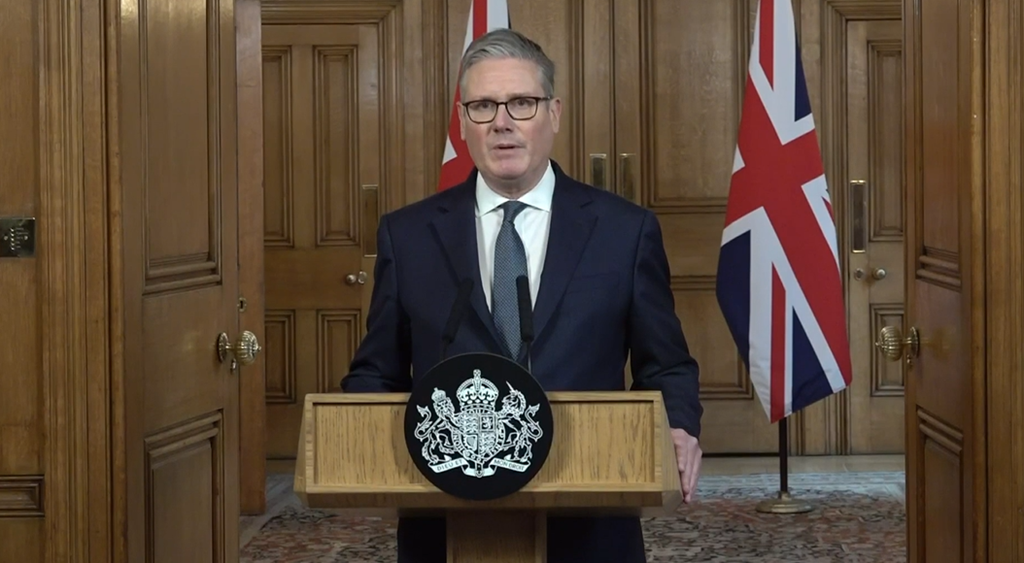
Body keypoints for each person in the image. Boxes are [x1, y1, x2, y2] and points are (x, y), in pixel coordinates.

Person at [341, 28, 703, 563]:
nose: (502, 122)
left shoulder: (624, 231)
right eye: (483, 106)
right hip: (446, 518)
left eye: (522, 103)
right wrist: (357, 439)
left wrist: (677, 425)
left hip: (590, 518)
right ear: (463, 122)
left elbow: (666, 364)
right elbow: (377, 371)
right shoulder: (409, 235)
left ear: (553, 113)